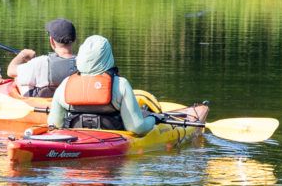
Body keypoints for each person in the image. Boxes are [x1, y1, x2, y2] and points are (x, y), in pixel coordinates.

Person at [48, 35, 208, 136]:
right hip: (115, 144)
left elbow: (54, 126)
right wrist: (153, 119)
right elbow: (137, 128)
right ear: (107, 56)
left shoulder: (65, 85)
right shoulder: (120, 85)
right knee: (146, 116)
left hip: (75, 141)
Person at [7, 18, 78, 97]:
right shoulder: (83, 63)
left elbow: (10, 71)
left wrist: (22, 55)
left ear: (51, 40)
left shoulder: (41, 62)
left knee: (18, 79)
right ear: (74, 39)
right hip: (72, 101)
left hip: (44, 104)